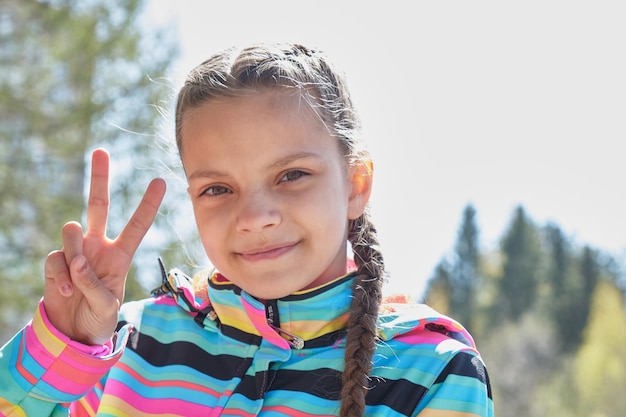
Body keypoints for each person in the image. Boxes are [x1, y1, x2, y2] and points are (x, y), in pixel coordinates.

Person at [0, 43, 493, 417]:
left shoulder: (430, 371)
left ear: (356, 184)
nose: (256, 217)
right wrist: (64, 346)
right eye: (217, 188)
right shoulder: (128, 348)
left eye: (292, 175)